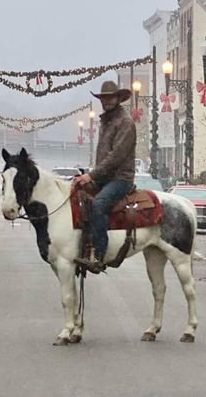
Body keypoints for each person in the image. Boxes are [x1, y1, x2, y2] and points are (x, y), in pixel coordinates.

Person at [73, 80, 136, 273]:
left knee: (98, 204)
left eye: (110, 97)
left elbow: (116, 157)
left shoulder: (125, 122)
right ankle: (82, 247)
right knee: (76, 196)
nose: (106, 101)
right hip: (105, 176)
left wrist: (91, 175)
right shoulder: (106, 121)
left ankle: (99, 255)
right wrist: (86, 177)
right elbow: (103, 156)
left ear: (118, 98)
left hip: (120, 178)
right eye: (103, 98)